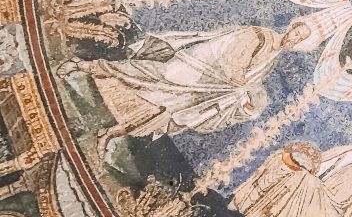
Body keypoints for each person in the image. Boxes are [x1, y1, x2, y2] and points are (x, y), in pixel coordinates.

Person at [58, 22, 314, 158]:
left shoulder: (272, 59)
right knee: (149, 75)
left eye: (300, 39)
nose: (295, 38)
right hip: (198, 68)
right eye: (297, 32)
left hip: (211, 88)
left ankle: (110, 134)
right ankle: (82, 65)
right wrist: (241, 85)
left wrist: (252, 101)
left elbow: (252, 82)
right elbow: (232, 63)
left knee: (168, 116)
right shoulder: (258, 36)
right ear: (291, 27)